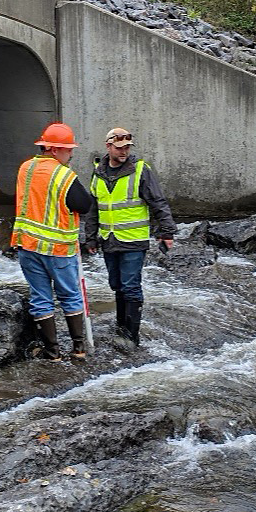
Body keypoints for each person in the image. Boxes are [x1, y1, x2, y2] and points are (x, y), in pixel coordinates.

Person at [82, 126, 176, 347]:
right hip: (109, 240)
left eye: (127, 148)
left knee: (131, 286)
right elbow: (94, 208)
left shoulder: (140, 170)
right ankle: (120, 327)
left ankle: (131, 337)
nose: (124, 151)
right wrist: (91, 237)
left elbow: (158, 201)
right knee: (116, 285)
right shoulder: (98, 173)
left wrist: (167, 231)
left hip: (134, 240)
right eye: (119, 147)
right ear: (108, 147)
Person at [10, 122, 95, 360]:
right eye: (69, 150)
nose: (71, 154)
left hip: (28, 245)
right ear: (55, 150)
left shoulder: (25, 168)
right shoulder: (63, 174)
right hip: (57, 248)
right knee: (70, 295)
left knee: (41, 298)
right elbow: (83, 204)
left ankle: (52, 352)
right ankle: (78, 349)